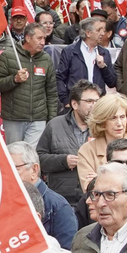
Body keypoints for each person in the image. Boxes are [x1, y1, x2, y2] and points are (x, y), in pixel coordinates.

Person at [36, 80, 99, 219]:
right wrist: (63, 161)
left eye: (97, 101)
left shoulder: (102, 128)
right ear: (74, 104)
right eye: (89, 101)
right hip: (62, 200)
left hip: (94, 199)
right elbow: (38, 159)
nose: (94, 106)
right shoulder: (55, 125)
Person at [0, 23, 57, 146]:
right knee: (16, 155)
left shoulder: (46, 58)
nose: (43, 42)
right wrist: (14, 79)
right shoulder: (8, 55)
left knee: (31, 155)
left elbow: (51, 91)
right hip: (14, 117)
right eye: (39, 38)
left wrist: (51, 119)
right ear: (28, 38)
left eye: (44, 38)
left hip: (38, 118)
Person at [53, 14, 118, 109]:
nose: (102, 33)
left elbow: (112, 82)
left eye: (102, 30)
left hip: (98, 105)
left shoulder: (104, 53)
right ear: (88, 33)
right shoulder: (70, 51)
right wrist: (66, 100)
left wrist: (103, 67)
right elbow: (60, 78)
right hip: (76, 105)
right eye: (98, 30)